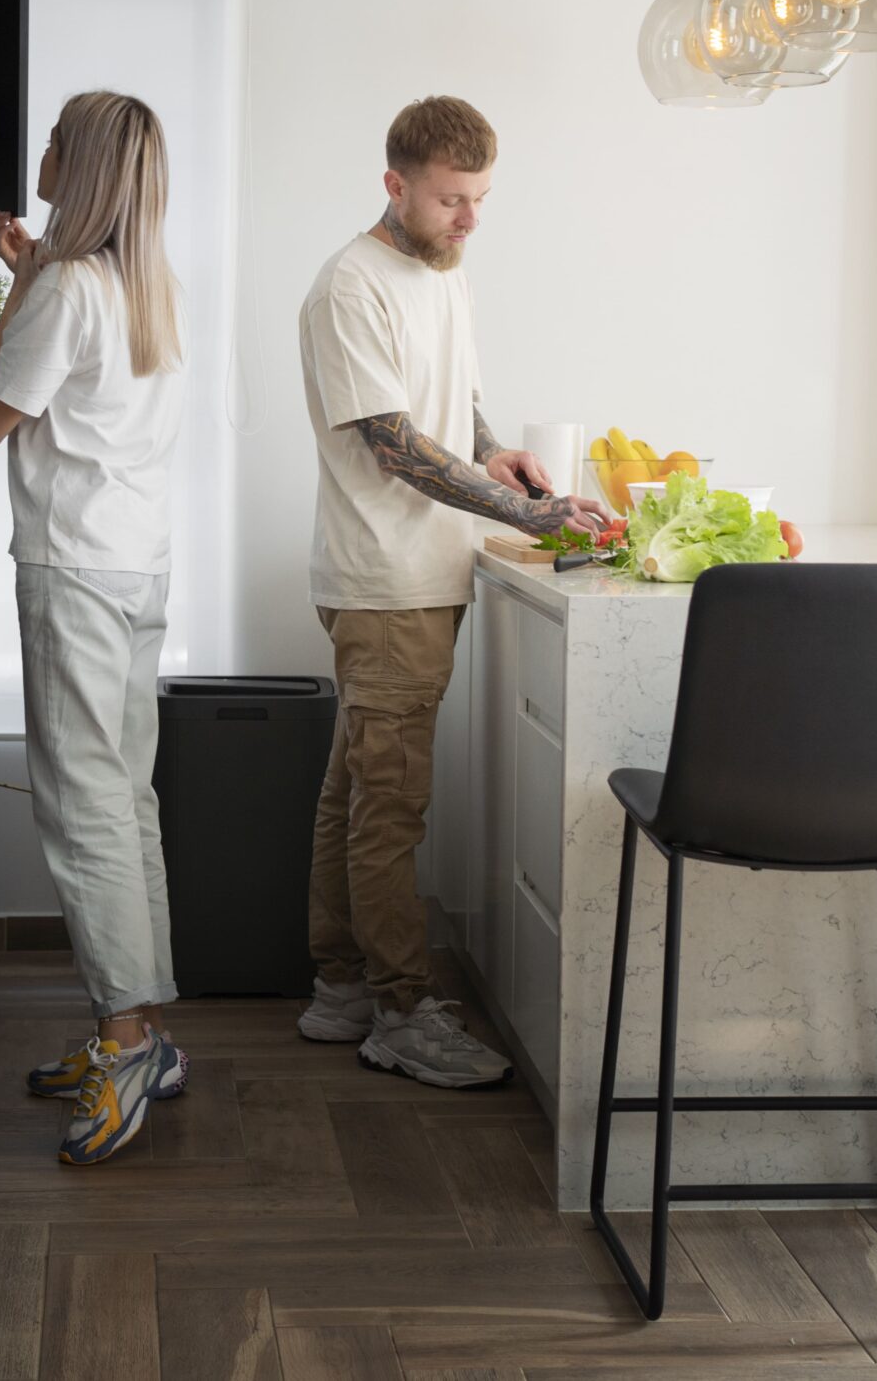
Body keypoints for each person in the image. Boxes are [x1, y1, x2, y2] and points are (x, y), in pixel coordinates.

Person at [295, 95, 614, 1088]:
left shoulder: (441, 271)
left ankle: (341, 987)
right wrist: (528, 514)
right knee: (390, 808)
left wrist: (495, 452)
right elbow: (393, 444)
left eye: (480, 198)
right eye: (450, 200)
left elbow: (448, 407)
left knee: (356, 792)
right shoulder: (351, 286)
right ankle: (399, 1011)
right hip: (386, 582)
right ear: (394, 185)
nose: (470, 219)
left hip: (419, 575)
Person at [0, 90, 189, 1163]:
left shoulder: (65, 284)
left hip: (75, 566)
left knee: (82, 807)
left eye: (54, 140)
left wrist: (22, 283)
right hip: (136, 563)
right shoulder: (144, 281)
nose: (42, 150)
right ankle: (146, 1031)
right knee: (124, 798)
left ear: (82, 164)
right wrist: (34, 269)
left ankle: (125, 1044)